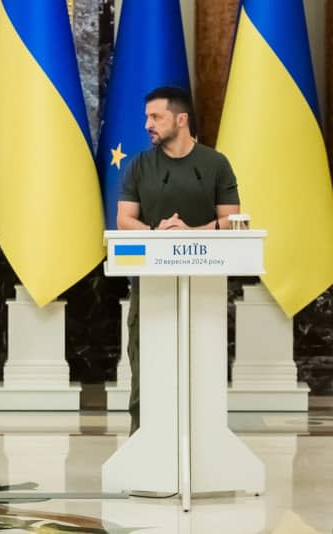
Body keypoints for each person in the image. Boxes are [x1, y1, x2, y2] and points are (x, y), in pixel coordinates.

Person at [116, 86, 240, 433]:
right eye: (147, 117)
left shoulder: (215, 164)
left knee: (202, 361)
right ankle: (143, 435)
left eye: (156, 117)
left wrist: (190, 231)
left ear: (181, 119)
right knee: (145, 360)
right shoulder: (140, 165)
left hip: (205, 284)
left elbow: (232, 220)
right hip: (150, 284)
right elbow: (125, 220)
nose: (147, 125)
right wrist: (160, 234)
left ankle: (203, 433)